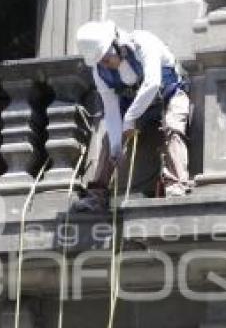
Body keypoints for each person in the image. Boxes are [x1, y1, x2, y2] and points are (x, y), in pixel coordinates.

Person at [73, 20, 193, 212]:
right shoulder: (100, 72)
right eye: (100, 61)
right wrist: (116, 146)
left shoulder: (144, 43)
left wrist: (129, 119)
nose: (106, 64)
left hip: (169, 95)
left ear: (117, 44)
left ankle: (177, 184)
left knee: (173, 125)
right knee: (107, 142)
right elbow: (111, 110)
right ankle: (97, 195)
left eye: (106, 57)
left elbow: (152, 83)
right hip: (135, 106)